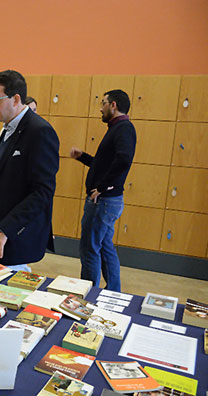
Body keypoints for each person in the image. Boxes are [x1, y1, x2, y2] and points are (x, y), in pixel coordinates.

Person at [0, 70, 60, 271]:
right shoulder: (7, 128)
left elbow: (42, 192)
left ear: (16, 99)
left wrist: (5, 229)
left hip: (15, 233)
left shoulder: (39, 131)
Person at [70, 89, 136, 292]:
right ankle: (113, 292)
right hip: (108, 200)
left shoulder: (123, 128)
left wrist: (103, 187)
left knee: (90, 248)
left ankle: (88, 294)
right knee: (105, 247)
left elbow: (123, 160)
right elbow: (104, 164)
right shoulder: (116, 128)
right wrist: (83, 157)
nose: (101, 108)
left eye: (103, 103)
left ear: (113, 105)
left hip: (104, 201)